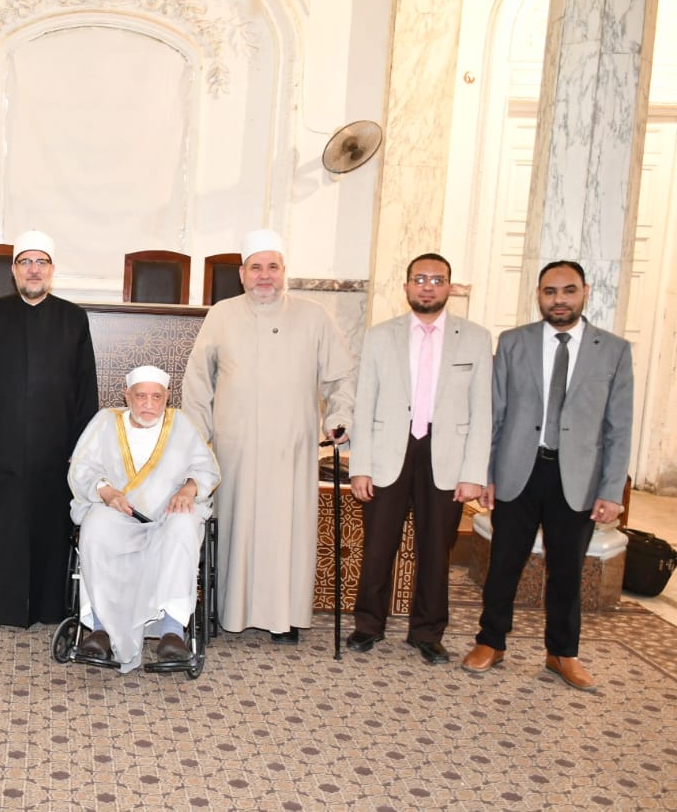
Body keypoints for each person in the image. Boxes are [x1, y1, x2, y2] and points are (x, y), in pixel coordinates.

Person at [462, 261, 633, 691]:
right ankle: (491, 641)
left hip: (577, 478)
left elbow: (619, 426)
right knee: (504, 563)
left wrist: (612, 490)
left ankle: (562, 653)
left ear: (585, 292)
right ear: (538, 294)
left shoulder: (613, 350)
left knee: (567, 570)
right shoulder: (514, 342)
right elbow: (495, 414)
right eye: (550, 291)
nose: (559, 300)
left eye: (568, 290)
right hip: (518, 471)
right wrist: (487, 473)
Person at [183, 228, 355, 643]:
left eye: (272, 267)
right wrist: (195, 442)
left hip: (290, 449)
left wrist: (339, 416)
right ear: (242, 274)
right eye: (256, 268)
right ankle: (231, 612)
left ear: (284, 272)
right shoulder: (222, 314)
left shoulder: (314, 316)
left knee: (286, 533)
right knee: (236, 529)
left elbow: (340, 376)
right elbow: (197, 382)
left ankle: (286, 615)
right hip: (235, 448)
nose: (265, 276)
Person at [347, 254, 492, 663]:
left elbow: (482, 409)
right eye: (420, 279)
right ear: (407, 286)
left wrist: (473, 473)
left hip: (445, 456)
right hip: (388, 453)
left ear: (450, 287)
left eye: (437, 280)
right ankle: (368, 625)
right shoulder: (380, 336)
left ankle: (427, 632)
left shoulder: (476, 338)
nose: (428, 286)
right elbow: (364, 403)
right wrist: (360, 466)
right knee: (378, 546)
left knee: (435, 551)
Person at [0, 229, 98, 627]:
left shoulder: (73, 318)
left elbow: (86, 387)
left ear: (52, 269)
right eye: (25, 262)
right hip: (1, 444)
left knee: (52, 525)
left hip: (56, 446)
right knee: (2, 526)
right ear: (13, 270)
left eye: (41, 262)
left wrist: (82, 447)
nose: (33, 270)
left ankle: (51, 605)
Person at [67, 365, 220, 672]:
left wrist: (189, 489)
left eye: (156, 397)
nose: (148, 404)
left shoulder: (181, 425)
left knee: (183, 525)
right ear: (127, 396)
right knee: (95, 527)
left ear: (167, 397)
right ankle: (100, 630)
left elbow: (207, 469)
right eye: (140, 396)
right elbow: (81, 468)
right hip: (118, 513)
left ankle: (172, 633)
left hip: (167, 517)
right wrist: (106, 491)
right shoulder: (106, 422)